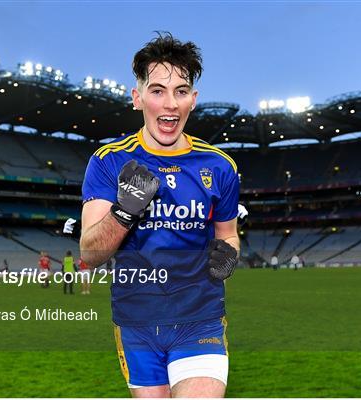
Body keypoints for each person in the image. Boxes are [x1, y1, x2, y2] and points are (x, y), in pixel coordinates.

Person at [80, 33, 240, 398]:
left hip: (199, 318)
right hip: (136, 322)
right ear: (137, 99)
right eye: (157, 90)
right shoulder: (109, 161)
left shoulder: (219, 166)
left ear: (193, 100)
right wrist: (125, 212)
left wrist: (229, 255)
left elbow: (228, 234)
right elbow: (90, 253)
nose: (170, 104)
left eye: (181, 91)